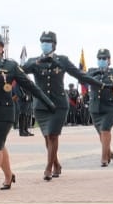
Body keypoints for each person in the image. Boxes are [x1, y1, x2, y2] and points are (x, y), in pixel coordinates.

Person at [0, 32, 55, 195]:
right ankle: (8, 175)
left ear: (1, 48)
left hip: (3, 113)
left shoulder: (11, 66)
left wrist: (47, 102)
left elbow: (29, 85)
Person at [23, 31, 103, 180]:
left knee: (53, 135)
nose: (45, 45)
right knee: (47, 137)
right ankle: (56, 164)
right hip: (41, 105)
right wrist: (36, 63)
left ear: (54, 45)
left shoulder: (62, 60)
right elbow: (21, 70)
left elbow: (80, 75)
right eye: (43, 42)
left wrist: (100, 84)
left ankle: (48, 168)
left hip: (58, 105)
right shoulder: (35, 61)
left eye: (48, 42)